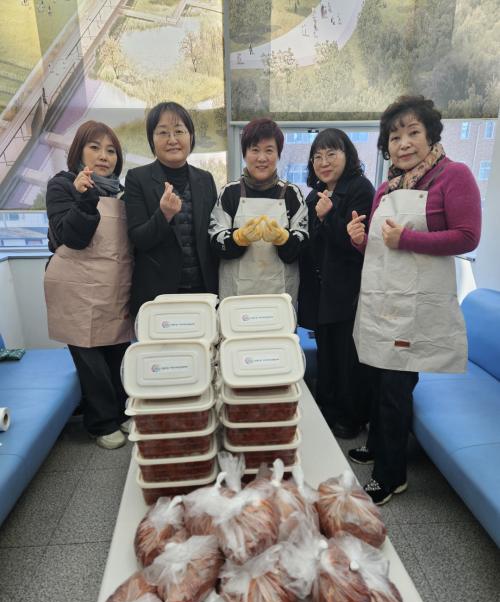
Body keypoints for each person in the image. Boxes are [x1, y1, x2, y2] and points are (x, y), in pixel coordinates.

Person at [347, 95, 481, 505]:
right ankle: (379, 446)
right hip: (382, 299)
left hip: (417, 305)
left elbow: (467, 236)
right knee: (377, 378)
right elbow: (378, 247)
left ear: (431, 135)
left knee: (395, 387)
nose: (403, 143)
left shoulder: (453, 176)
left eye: (412, 133)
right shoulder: (387, 186)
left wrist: (407, 238)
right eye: (394, 136)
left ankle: (391, 476)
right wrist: (359, 240)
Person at [44, 121, 133, 449]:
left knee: (118, 353)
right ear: (78, 151)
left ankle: (122, 412)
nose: (103, 156)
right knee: (91, 362)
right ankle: (101, 423)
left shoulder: (121, 192)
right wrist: (84, 199)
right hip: (76, 289)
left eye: (111, 150)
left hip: (112, 286)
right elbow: (71, 237)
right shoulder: (62, 185)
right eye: (94, 147)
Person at [298, 128, 375, 438]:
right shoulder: (314, 195)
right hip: (321, 291)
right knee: (327, 353)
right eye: (317, 156)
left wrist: (329, 216)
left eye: (331, 154)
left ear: (348, 155)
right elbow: (311, 245)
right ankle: (327, 410)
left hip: (348, 291)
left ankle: (351, 416)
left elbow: (356, 245)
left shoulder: (361, 189)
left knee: (347, 358)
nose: (324, 162)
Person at [125, 101, 218, 315]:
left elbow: (211, 236)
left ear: (191, 136)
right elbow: (138, 238)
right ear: (152, 140)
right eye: (163, 133)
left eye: (179, 131)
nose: (172, 140)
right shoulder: (137, 178)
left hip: (203, 292)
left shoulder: (205, 179)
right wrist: (164, 214)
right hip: (157, 294)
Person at [209, 117, 308, 303]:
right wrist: (237, 238)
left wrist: (284, 239)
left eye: (269, 150)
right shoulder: (230, 192)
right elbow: (215, 240)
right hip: (236, 295)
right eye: (255, 150)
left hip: (280, 296)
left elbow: (302, 245)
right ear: (245, 154)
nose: (262, 158)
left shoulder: (292, 194)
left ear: (278, 154)